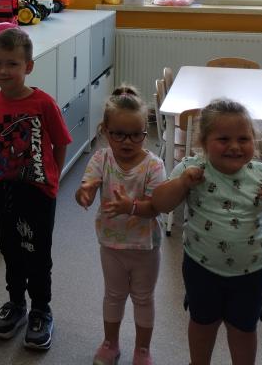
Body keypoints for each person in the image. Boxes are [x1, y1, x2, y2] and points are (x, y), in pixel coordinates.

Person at [152, 99, 262, 365]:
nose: (235, 146)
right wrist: (181, 183)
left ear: (254, 141)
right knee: (202, 325)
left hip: (251, 274)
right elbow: (160, 203)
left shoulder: (260, 173)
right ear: (204, 142)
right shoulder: (193, 169)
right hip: (201, 269)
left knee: (244, 330)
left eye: (243, 139)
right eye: (224, 139)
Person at [0, 28, 71, 350]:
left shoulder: (43, 103)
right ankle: (16, 303)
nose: (3, 71)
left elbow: (61, 142)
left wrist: (53, 179)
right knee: (10, 247)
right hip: (4, 188)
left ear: (28, 67)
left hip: (39, 190)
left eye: (12, 64)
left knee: (37, 251)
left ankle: (41, 310)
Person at [77, 86, 166, 365]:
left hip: (145, 248)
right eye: (118, 134)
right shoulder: (101, 159)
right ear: (105, 131)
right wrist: (84, 193)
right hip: (111, 245)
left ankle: (142, 350)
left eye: (136, 135)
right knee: (113, 296)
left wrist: (131, 207)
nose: (128, 142)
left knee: (143, 298)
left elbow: (157, 207)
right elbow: (86, 187)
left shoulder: (154, 166)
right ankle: (110, 344)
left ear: (145, 132)